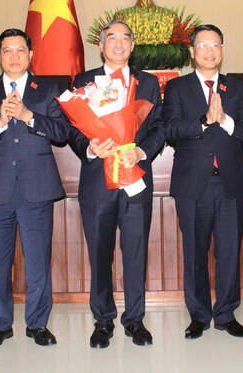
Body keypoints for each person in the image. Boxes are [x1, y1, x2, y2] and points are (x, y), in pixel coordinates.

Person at [0, 28, 70, 349]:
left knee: (38, 261)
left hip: (36, 188)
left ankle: (37, 324)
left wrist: (28, 116)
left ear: (30, 55)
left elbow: (62, 132)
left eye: (20, 50)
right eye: (7, 51)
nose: (14, 57)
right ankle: (0, 325)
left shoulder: (47, 89)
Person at [67, 20, 165, 348]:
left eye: (126, 38)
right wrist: (89, 148)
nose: (119, 43)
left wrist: (141, 151)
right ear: (101, 45)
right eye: (112, 37)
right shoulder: (83, 81)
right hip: (98, 183)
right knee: (99, 252)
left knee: (136, 252)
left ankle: (135, 319)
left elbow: (159, 128)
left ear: (133, 46)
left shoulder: (148, 83)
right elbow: (72, 129)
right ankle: (103, 320)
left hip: (135, 179)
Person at [163, 24, 243, 339]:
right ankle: (199, 316)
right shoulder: (178, 88)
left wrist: (225, 120)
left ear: (222, 50)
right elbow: (171, 131)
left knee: (229, 252)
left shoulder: (238, 89)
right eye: (203, 45)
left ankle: (226, 314)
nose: (210, 51)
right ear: (192, 51)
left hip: (229, 183)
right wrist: (204, 121)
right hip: (192, 185)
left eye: (215, 44)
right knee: (195, 252)